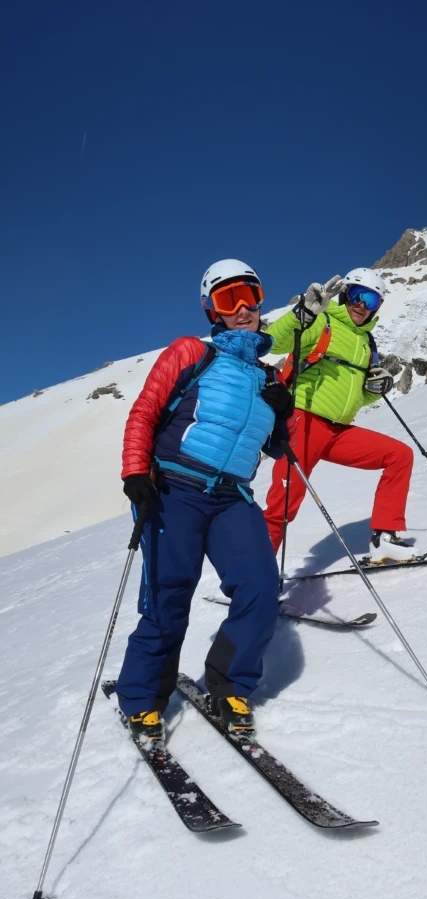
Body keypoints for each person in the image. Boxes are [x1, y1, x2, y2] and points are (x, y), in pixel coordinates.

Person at [116, 259, 293, 741]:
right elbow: (144, 412)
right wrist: (136, 473)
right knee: (169, 594)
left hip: (233, 498)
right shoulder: (192, 352)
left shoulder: (268, 377)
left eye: (247, 296)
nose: (240, 309)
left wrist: (283, 412)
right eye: (225, 298)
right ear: (210, 309)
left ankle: (230, 683)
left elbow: (277, 448)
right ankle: (140, 697)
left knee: (259, 587)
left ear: (260, 300)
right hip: (175, 489)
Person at [263, 268, 419, 564]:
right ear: (345, 294)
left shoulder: (366, 343)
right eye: (357, 295)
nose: (362, 305)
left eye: (371, 300)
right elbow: (273, 342)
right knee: (283, 504)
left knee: (399, 455)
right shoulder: (323, 321)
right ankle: (252, 578)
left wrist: (375, 389)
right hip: (304, 423)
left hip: (339, 431)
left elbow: (357, 397)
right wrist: (302, 315)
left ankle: (385, 538)